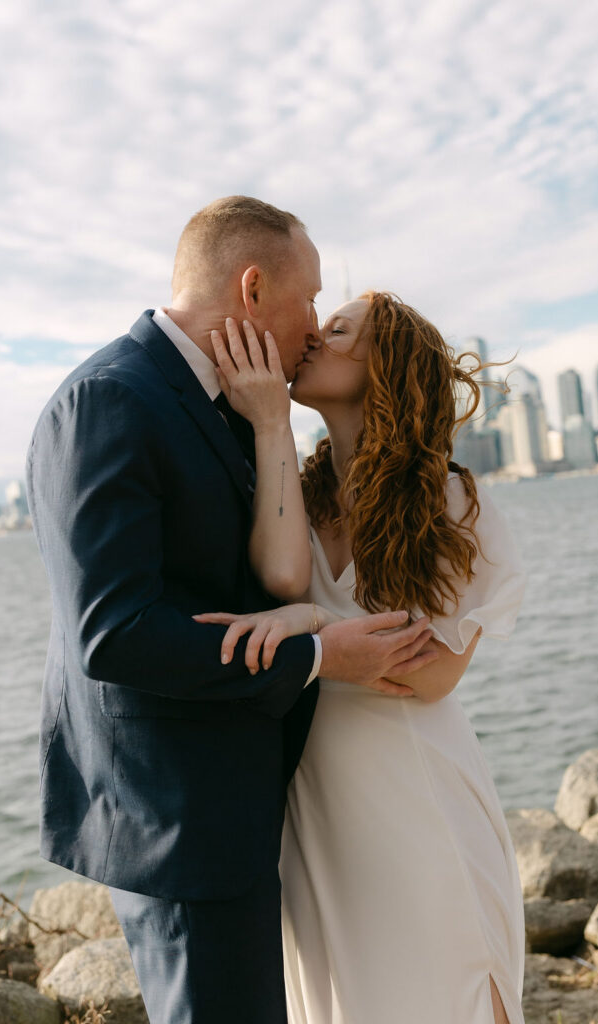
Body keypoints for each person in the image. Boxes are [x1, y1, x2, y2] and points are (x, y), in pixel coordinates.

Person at [25, 198, 439, 1024]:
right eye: (310, 298)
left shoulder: (221, 401)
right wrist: (322, 656)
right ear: (252, 290)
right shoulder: (112, 398)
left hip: (233, 805)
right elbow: (114, 634)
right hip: (178, 818)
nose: (315, 323)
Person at [194, 292, 528, 1024]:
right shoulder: (293, 492)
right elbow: (281, 578)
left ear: (385, 367)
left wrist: (314, 624)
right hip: (312, 805)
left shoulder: (447, 501)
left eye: (338, 330)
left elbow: (431, 673)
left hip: (417, 793)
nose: (313, 335)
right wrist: (271, 421)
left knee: (455, 993)